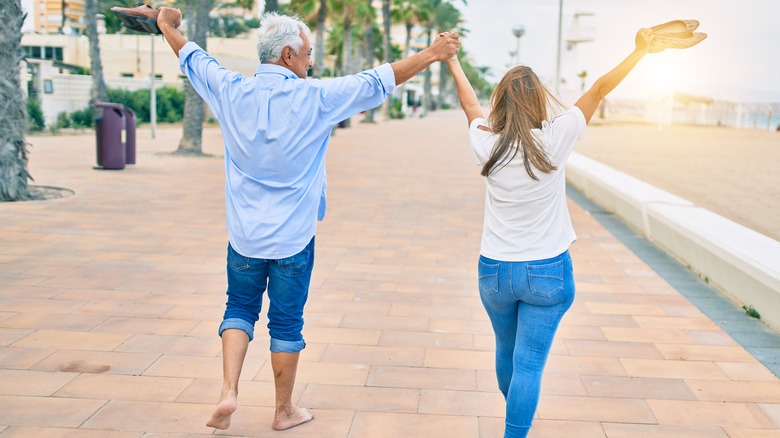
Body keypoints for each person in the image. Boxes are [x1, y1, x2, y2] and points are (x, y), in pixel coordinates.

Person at [153, 7, 460, 432]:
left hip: (243, 236)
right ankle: (283, 410)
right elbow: (380, 79)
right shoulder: (315, 97)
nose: (311, 61)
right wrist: (432, 53)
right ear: (287, 56)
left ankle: (228, 391)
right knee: (286, 320)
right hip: (293, 240)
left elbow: (190, 54)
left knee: (238, 307)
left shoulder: (229, 88)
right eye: (308, 54)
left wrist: (166, 24)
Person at [445, 28, 654, 437]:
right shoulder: (555, 139)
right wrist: (639, 52)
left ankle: (516, 419)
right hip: (545, 271)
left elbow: (469, 105)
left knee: (508, 353)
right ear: (538, 100)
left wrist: (451, 60)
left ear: (500, 104)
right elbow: (599, 88)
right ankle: (515, 429)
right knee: (529, 365)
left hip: (494, 272)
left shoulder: (487, 144)